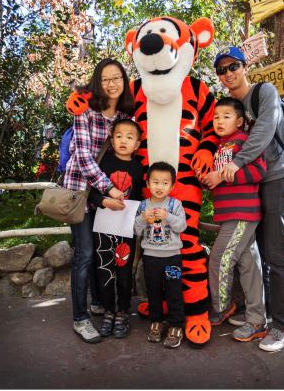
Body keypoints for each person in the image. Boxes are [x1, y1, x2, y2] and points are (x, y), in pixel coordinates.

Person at [213, 46, 284, 352]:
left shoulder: (264, 92)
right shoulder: (229, 107)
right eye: (222, 70)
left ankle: (283, 324)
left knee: (277, 253)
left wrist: (235, 164)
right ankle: (258, 317)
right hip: (251, 186)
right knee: (255, 253)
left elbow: (264, 130)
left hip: (275, 179)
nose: (228, 73)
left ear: (244, 65)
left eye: (233, 66)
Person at [63, 58, 134, 343]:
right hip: (81, 192)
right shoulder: (85, 109)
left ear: (124, 81)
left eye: (117, 77)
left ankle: (96, 302)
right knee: (85, 254)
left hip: (104, 196)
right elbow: (81, 157)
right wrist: (108, 188)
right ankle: (80, 318)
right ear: (97, 82)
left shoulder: (123, 117)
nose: (111, 84)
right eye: (105, 79)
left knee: (101, 251)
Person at [202, 97, 267, 342]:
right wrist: (210, 179)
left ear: (239, 121)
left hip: (242, 213)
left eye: (226, 116)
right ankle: (257, 319)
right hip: (231, 214)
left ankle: (221, 307)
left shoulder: (243, 142)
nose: (219, 120)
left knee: (219, 259)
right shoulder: (221, 146)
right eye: (216, 117)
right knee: (249, 266)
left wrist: (223, 176)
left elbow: (259, 171)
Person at [88, 118, 143, 339]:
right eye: (119, 136)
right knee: (104, 270)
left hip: (125, 230)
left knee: (123, 271)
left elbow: (140, 199)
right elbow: (90, 191)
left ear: (137, 144)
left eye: (129, 137)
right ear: (111, 139)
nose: (123, 140)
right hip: (103, 227)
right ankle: (109, 312)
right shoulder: (104, 164)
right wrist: (103, 201)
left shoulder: (139, 168)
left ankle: (123, 312)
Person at [135, 162, 186, 349]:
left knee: (174, 291)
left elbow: (181, 227)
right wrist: (143, 218)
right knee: (153, 291)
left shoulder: (175, 204)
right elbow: (136, 230)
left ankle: (175, 325)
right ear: (148, 184)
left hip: (172, 257)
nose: (159, 186)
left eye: (165, 183)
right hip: (151, 258)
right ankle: (155, 321)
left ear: (172, 186)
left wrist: (168, 216)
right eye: (155, 182)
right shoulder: (143, 206)